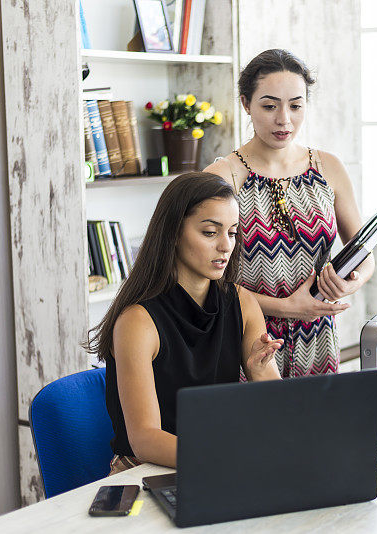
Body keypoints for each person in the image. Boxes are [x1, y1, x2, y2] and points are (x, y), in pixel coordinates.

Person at [86, 172, 282, 474]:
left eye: (232, 233)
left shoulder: (241, 302)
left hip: (214, 462)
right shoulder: (137, 321)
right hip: (146, 470)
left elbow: (279, 411)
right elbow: (145, 440)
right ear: (174, 232)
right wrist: (224, 460)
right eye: (209, 232)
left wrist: (257, 374)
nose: (225, 246)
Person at [205, 48, 375, 378]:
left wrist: (349, 283)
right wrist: (287, 307)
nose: (284, 119)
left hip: (318, 338)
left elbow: (365, 255)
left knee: (316, 428)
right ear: (246, 104)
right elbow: (207, 279)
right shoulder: (223, 176)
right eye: (269, 106)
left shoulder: (329, 167)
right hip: (247, 339)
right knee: (254, 428)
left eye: (296, 106)